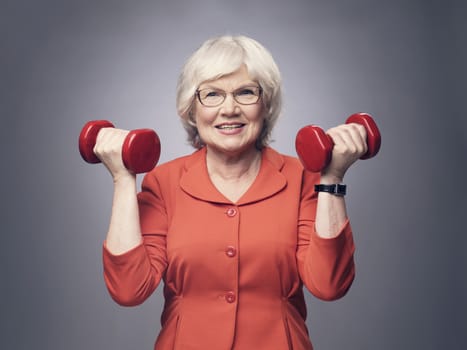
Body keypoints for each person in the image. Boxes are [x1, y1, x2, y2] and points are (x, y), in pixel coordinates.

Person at [95, 35, 368, 349]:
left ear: (266, 105)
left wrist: (331, 177)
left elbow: (329, 286)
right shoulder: (163, 182)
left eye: (245, 93)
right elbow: (129, 290)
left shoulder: (303, 179)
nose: (229, 109)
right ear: (190, 110)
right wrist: (123, 179)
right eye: (212, 94)